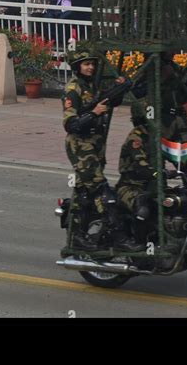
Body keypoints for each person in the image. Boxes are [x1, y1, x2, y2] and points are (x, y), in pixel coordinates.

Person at [62, 51, 135, 250]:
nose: (90, 68)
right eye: (86, 64)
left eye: (92, 64)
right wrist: (93, 113)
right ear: (78, 67)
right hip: (80, 144)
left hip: (95, 143)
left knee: (83, 193)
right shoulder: (73, 89)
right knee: (102, 191)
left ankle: (77, 237)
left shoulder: (94, 85)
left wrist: (121, 85)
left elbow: (113, 100)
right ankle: (119, 237)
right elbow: (70, 124)